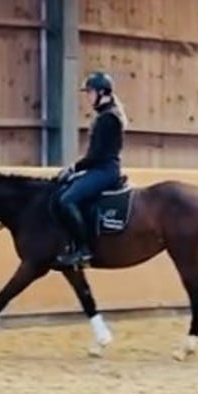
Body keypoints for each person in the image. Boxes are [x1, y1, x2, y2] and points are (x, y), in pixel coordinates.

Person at [55, 71, 127, 267]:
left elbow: (97, 155)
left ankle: (83, 249)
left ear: (102, 92)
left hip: (105, 170)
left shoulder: (108, 118)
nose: (88, 96)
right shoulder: (104, 115)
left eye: (90, 92)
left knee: (67, 199)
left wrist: (73, 168)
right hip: (99, 168)